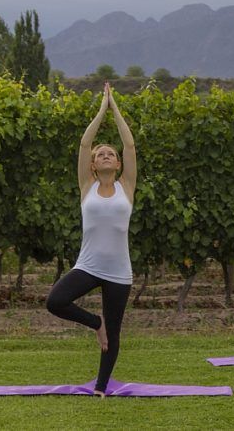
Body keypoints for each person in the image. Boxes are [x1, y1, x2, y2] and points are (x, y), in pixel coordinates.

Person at [46, 82, 136, 397]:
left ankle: (100, 387)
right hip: (88, 266)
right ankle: (95, 322)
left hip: (119, 272)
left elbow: (129, 144)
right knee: (55, 301)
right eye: (101, 154)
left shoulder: (127, 186)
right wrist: (101, 109)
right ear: (93, 165)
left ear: (119, 164)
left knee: (114, 333)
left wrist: (115, 108)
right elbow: (85, 144)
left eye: (111, 154)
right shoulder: (87, 186)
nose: (106, 155)